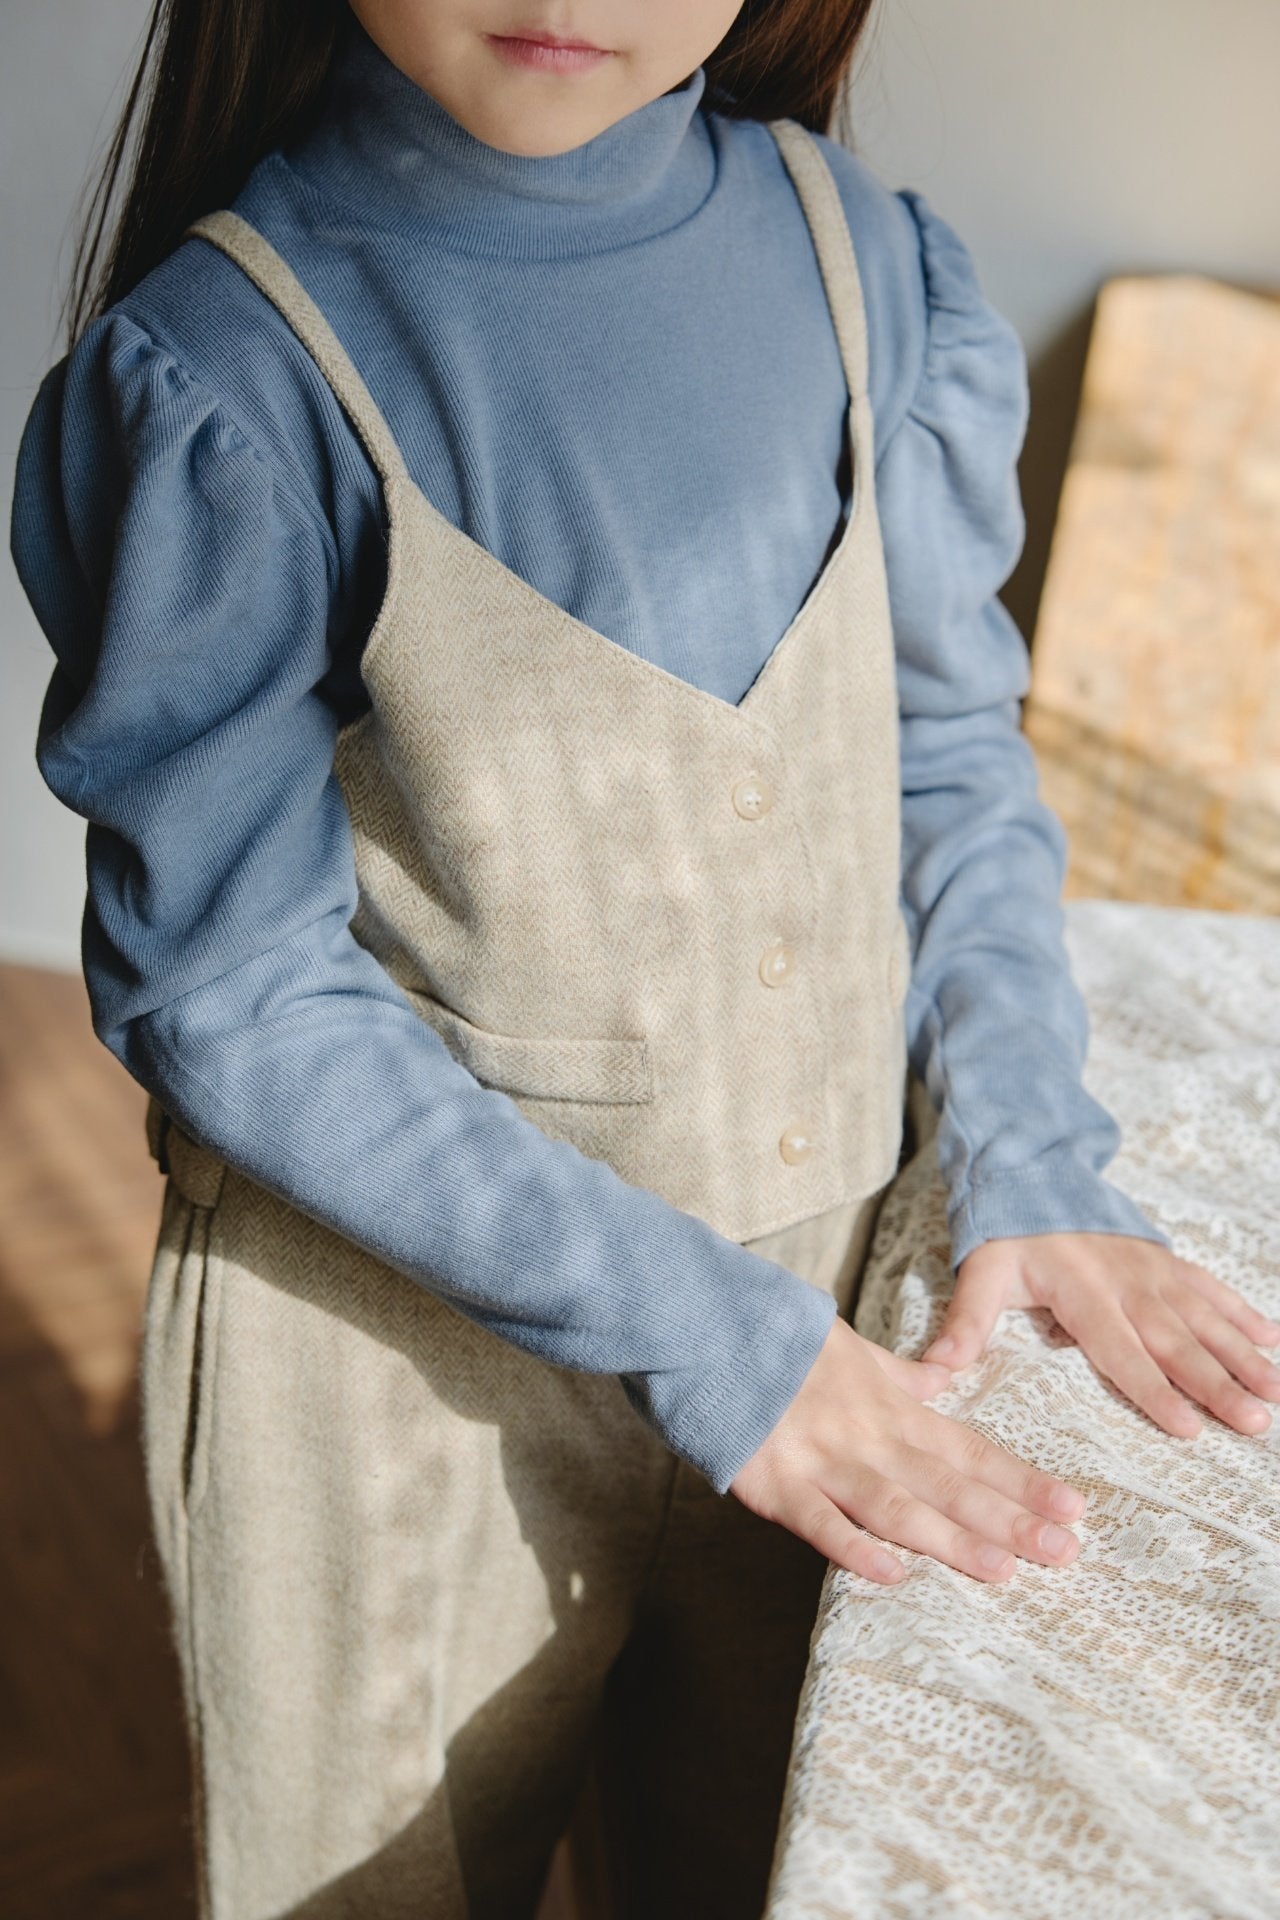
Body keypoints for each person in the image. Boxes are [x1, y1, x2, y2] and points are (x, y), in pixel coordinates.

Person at [12, 2, 1280, 1915]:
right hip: (380, 1390)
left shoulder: (872, 268)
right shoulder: (223, 377)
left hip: (846, 1320)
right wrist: (709, 1340)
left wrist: (1031, 1139)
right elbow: (229, 994)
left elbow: (943, 755)